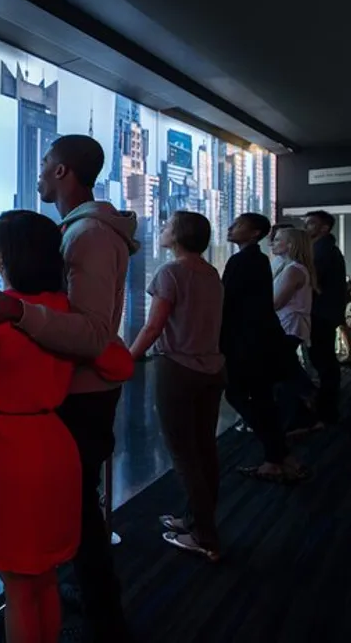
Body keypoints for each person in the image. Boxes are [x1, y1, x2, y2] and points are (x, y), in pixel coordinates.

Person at [0, 134, 138, 643]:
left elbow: (91, 334)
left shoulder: (88, 237)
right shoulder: (81, 233)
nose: (39, 173)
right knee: (65, 535)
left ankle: (107, 621)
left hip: (70, 410)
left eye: (44, 164)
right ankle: (90, 609)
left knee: (72, 529)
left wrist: (16, 310)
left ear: (63, 171)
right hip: (62, 414)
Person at [128, 211, 225, 561]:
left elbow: (153, 326)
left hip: (179, 370)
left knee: (184, 453)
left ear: (179, 235)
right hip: (212, 369)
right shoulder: (210, 272)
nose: (163, 229)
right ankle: (196, 519)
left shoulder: (171, 272)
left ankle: (205, 535)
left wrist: (128, 358)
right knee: (204, 449)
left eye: (168, 226)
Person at [221, 213, 309, 484]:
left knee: (240, 395)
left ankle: (278, 453)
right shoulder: (258, 260)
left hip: (246, 343)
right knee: (261, 399)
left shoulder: (243, 261)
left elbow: (228, 303)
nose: (231, 228)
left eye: (239, 225)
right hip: (260, 340)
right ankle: (276, 457)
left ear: (255, 232)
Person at [270, 227, 319, 434]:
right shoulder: (288, 267)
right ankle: (302, 416)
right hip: (287, 326)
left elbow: (277, 302)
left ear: (291, 245)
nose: (273, 242)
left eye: (279, 239)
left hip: (288, 327)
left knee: (285, 373)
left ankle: (301, 412)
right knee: (286, 371)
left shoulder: (294, 270)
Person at [304, 210, 346, 427]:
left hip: (320, 315)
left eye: (310, 224)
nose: (306, 227)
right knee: (324, 361)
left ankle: (326, 412)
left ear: (324, 228)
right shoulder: (326, 249)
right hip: (325, 314)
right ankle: (326, 409)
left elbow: (312, 283)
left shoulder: (322, 252)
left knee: (324, 362)